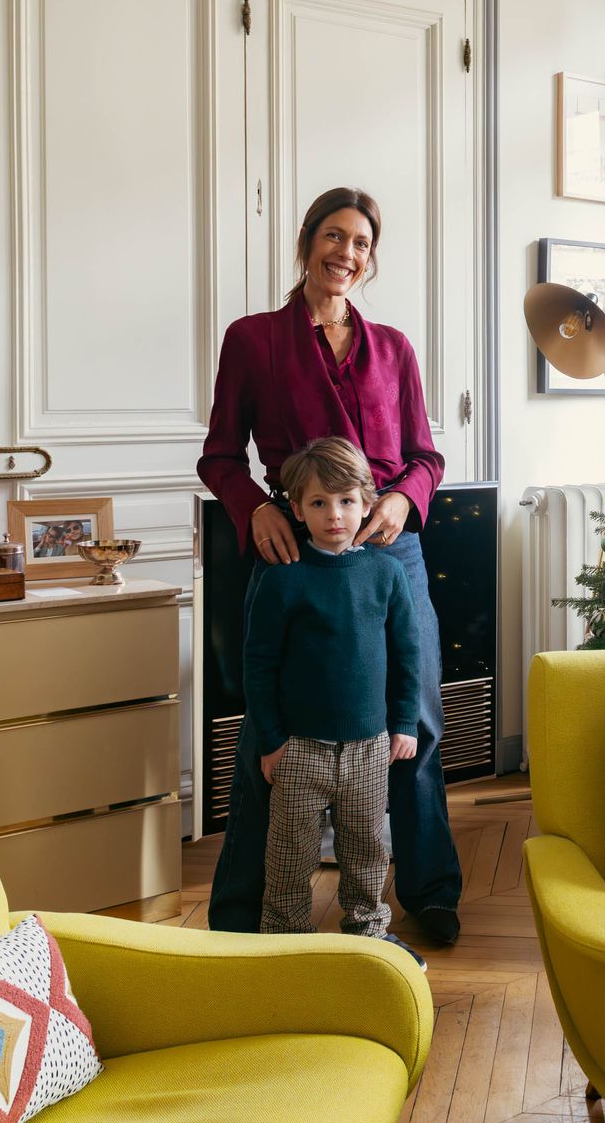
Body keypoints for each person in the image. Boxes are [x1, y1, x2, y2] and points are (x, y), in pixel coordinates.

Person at [198, 186, 464, 945]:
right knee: (267, 728)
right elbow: (219, 455)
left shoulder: (396, 349)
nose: (346, 252)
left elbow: (426, 457)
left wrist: (404, 502)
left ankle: (430, 889)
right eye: (334, 236)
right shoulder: (253, 340)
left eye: (361, 243)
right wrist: (257, 508)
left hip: (388, 548)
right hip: (295, 550)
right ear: (307, 240)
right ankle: (242, 910)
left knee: (415, 720)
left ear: (370, 259)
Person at [248, 437, 426, 970]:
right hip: (299, 749)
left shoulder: (386, 572)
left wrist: (402, 723)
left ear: (368, 503)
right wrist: (272, 740)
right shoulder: (283, 579)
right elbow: (258, 665)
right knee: (289, 856)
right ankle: (284, 942)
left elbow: (408, 654)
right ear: (297, 509)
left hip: (371, 748)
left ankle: (370, 933)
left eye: (347, 501)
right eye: (319, 503)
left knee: (368, 849)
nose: (334, 515)